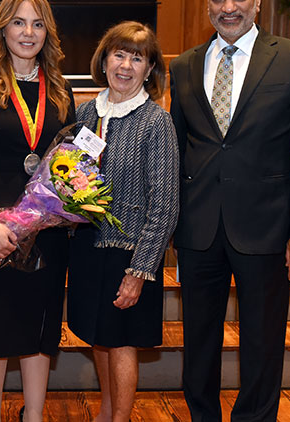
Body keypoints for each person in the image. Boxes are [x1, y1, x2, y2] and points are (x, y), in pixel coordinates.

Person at [169, 0, 290, 421]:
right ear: (207, 5)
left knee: (262, 340)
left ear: (258, 1)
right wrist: (169, 230)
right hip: (198, 230)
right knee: (199, 341)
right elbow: (178, 152)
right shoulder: (184, 66)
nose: (229, 7)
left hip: (267, 228)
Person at [0, 0, 75, 422]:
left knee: (40, 328)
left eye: (38, 23)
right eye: (19, 22)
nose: (28, 32)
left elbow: (71, 163)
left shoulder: (60, 90)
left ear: (48, 32)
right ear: (2, 29)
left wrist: (58, 210)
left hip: (47, 231)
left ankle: (34, 416)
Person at [68, 21, 179, 422]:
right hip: (87, 248)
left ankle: (121, 418)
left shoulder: (155, 122)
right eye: (119, 54)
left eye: (138, 58)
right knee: (98, 336)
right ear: (104, 58)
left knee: (122, 343)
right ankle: (106, 410)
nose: (126, 66)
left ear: (150, 69)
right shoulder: (84, 113)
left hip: (130, 254)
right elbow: (69, 178)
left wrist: (141, 270)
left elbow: (164, 206)